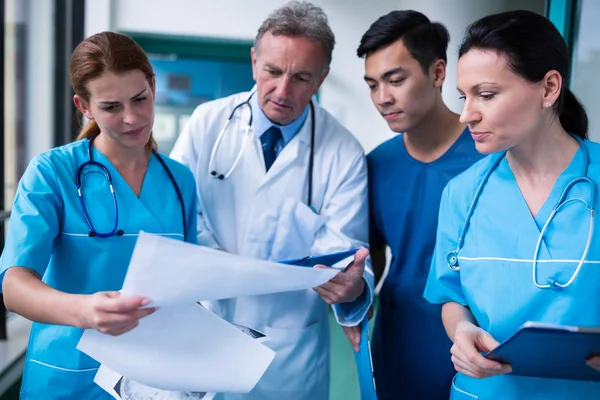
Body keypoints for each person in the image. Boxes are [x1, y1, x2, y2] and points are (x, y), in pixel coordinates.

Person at [170, 2, 373, 399]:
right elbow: (178, 214)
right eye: (273, 71)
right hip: (209, 328)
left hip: (290, 355)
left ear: (322, 78)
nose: (282, 91)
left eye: (301, 77)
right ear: (253, 61)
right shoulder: (207, 123)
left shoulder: (343, 152)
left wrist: (350, 287)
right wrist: (218, 261)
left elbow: (345, 252)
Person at [0, 32, 198, 399]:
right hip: (67, 378)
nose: (132, 118)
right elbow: (13, 287)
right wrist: (84, 310)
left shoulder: (180, 180)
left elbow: (186, 280)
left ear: (153, 85)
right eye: (111, 107)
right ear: (84, 106)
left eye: (140, 98)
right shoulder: (51, 172)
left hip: (153, 379)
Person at [424, 10, 600, 399]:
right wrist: (462, 331)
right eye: (464, 97)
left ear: (549, 88)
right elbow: (452, 296)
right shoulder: (462, 193)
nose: (467, 115)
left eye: (485, 95)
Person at [342, 10, 483, 399]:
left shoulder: (491, 157)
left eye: (396, 80)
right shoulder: (375, 164)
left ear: (438, 73)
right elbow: (369, 259)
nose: (382, 98)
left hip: (476, 340)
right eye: (372, 85)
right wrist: (350, 292)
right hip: (398, 340)